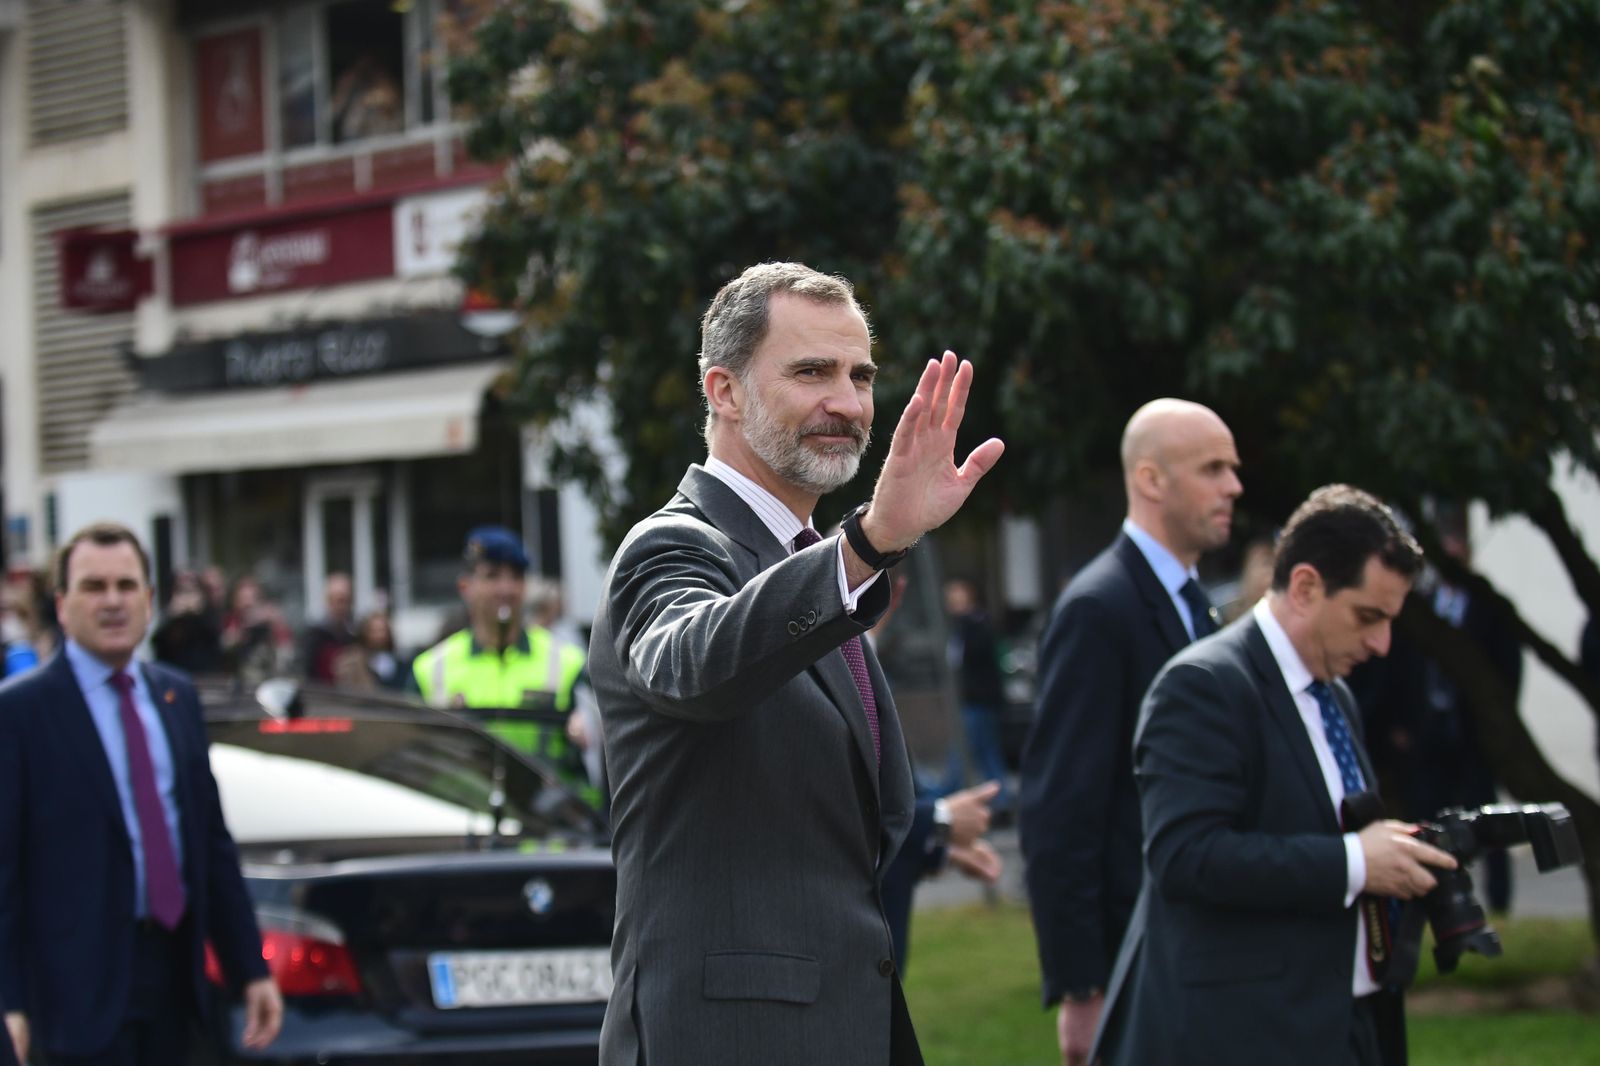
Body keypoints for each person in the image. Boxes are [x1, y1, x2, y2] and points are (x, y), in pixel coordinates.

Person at [588, 261, 1003, 1065]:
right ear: (724, 392)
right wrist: (868, 545)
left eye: (860, 375)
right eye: (811, 371)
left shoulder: (816, 563)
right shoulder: (670, 546)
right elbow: (695, 663)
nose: (847, 404)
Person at [1093, 485, 1459, 1066]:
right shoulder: (1204, 685)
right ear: (1307, 586)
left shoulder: (1336, 692)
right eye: (1368, 617)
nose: (1382, 643)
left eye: (1391, 621)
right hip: (1248, 1032)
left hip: (1350, 1021)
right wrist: (1357, 862)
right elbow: (1186, 856)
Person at [0, 521, 283, 1065]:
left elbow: (210, 844)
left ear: (150, 600)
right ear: (62, 604)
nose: (112, 601)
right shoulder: (20, 714)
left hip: (177, 984)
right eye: (94, 587)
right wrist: (9, 1000)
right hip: (74, 1003)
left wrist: (250, 968)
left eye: (126, 586)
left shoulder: (176, 697)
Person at [1017, 397, 1241, 1065]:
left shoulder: (1191, 601)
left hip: (1196, 950)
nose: (1234, 485)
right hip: (1130, 955)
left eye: (1232, 468)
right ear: (1150, 480)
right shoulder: (1100, 606)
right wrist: (1081, 984)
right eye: (1212, 468)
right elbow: (1060, 808)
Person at [411, 527, 591, 790]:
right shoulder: (429, 669)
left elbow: (589, 772)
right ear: (465, 587)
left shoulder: (567, 662)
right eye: (492, 576)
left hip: (544, 826)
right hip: (457, 824)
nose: (506, 589)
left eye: (516, 576)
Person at [942, 578, 1012, 813]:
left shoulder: (977, 623)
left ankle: (949, 795)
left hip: (979, 698)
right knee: (984, 750)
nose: (953, 599)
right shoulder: (961, 625)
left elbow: (978, 657)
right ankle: (1001, 798)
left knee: (965, 751)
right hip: (973, 697)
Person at [301, 572, 356, 683]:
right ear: (328, 601)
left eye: (346, 601)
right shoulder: (314, 637)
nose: (342, 606)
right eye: (338, 600)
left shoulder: (353, 636)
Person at [333, 609, 407, 691]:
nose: (380, 636)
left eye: (383, 630)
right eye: (375, 631)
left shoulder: (396, 662)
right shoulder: (351, 662)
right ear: (365, 632)